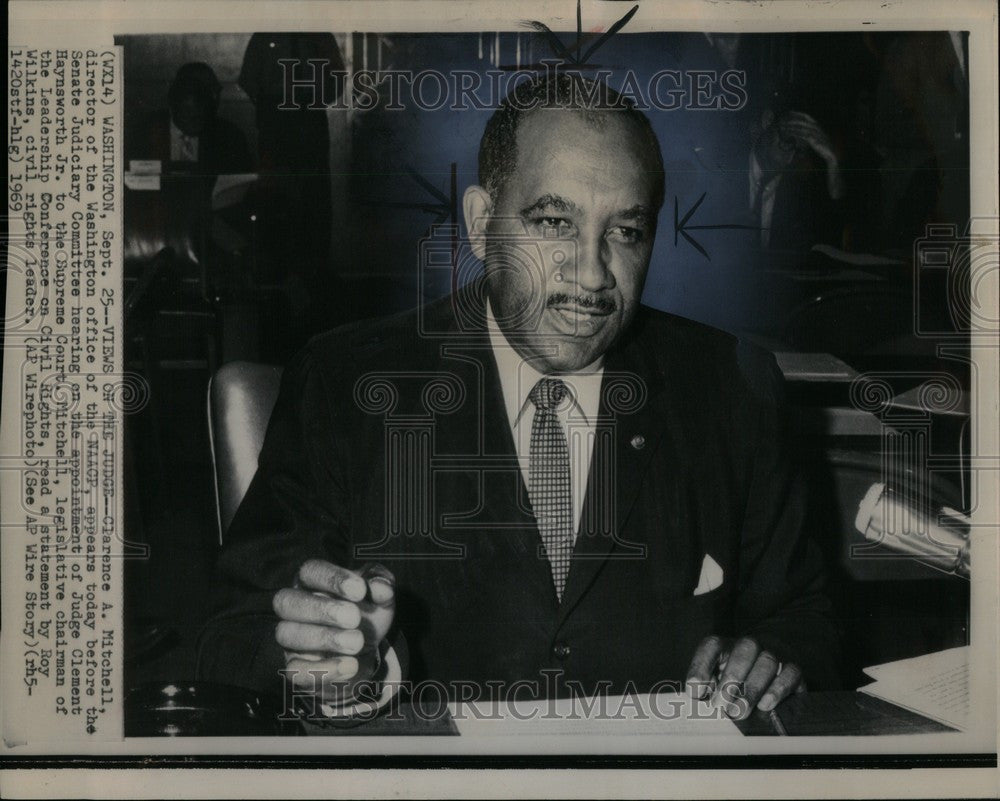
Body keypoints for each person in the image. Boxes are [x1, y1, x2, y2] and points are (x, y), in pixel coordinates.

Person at [197, 74, 839, 721]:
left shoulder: (732, 385)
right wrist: (340, 674)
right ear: (481, 224)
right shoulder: (342, 383)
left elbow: (806, 617)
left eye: (625, 231)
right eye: (555, 221)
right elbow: (234, 632)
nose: (591, 274)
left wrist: (773, 656)